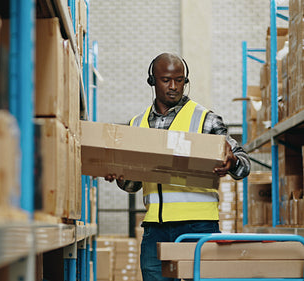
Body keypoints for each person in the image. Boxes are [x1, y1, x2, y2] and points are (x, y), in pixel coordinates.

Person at [105, 53, 251, 281]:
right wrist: (120, 176)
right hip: (155, 229)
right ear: (152, 81)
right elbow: (133, 185)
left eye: (180, 80)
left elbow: (244, 165)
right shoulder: (136, 124)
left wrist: (232, 162)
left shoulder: (206, 120)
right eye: (166, 80)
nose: (174, 87)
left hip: (198, 226)